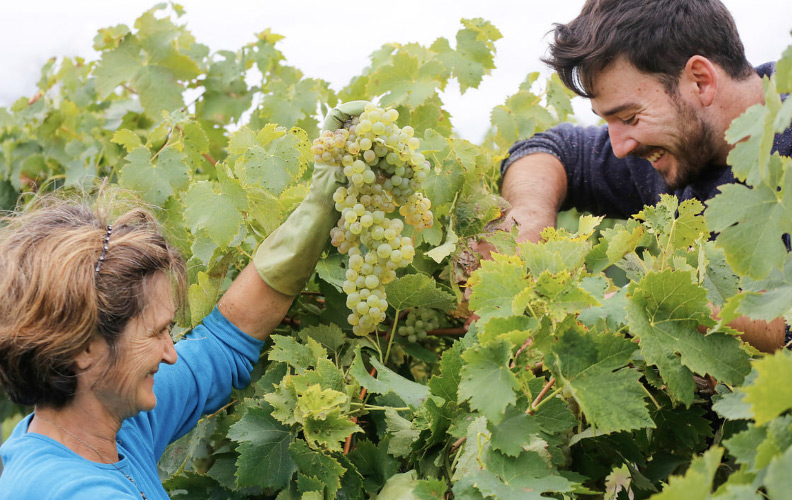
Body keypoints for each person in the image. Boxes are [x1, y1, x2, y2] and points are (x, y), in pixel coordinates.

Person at [0, 102, 367, 499]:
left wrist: (320, 205)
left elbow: (226, 343)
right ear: (84, 347)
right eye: (157, 332)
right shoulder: (69, 491)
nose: (172, 353)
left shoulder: (109, 423)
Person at [497, 0, 790, 351]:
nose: (619, 147)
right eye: (608, 120)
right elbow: (557, 150)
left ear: (700, 80)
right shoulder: (677, 147)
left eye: (629, 117)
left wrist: (631, 310)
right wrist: (525, 219)